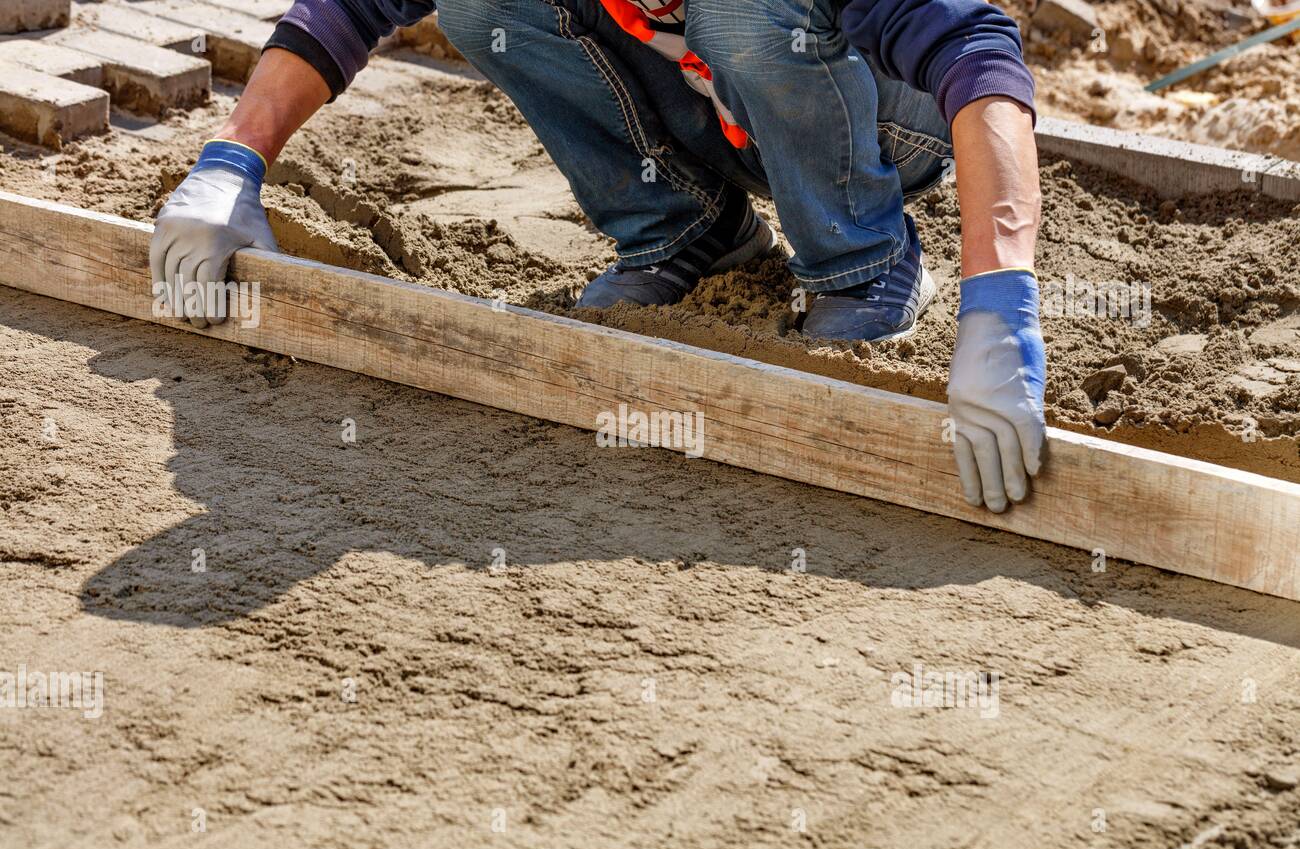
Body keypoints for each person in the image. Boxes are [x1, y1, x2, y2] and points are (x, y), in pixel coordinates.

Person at [151, 0, 1046, 513]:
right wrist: (232, 160)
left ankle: (865, 256)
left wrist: (1000, 301)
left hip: (883, 121)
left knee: (743, 13)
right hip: (722, 103)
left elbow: (981, 55)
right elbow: (349, 8)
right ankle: (690, 232)